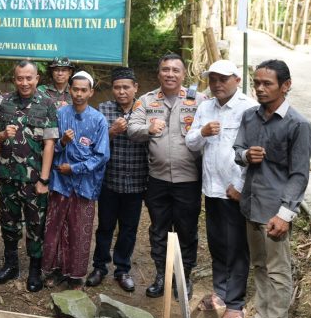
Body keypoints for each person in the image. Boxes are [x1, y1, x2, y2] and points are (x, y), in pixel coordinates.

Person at [234, 60, 311, 318]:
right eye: (256, 83)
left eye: (267, 83)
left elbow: (299, 175)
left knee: (278, 272)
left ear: (285, 85)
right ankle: (263, 316)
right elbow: (237, 151)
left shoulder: (298, 124)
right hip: (251, 205)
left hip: (275, 212)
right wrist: (246, 155)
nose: (259, 88)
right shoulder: (249, 116)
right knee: (259, 265)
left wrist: (284, 214)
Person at [128, 53, 206, 299]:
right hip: (157, 180)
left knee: (187, 230)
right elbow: (132, 128)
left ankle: (183, 278)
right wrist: (148, 128)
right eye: (165, 70)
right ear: (158, 73)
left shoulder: (199, 101)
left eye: (175, 70)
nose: (170, 74)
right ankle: (162, 275)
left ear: (183, 74)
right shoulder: (146, 100)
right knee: (159, 230)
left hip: (188, 181)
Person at [185, 60, 257, 318]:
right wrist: (202, 133)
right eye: (213, 79)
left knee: (237, 246)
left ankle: (235, 304)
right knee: (217, 243)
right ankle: (221, 292)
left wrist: (240, 186)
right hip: (212, 187)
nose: (217, 84)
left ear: (237, 80)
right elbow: (191, 143)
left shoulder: (249, 108)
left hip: (234, 190)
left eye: (223, 79)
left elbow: (254, 152)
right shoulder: (205, 107)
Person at [0, 60, 57, 292]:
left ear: (37, 79)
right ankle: (11, 265)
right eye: (20, 78)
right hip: (7, 176)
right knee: (8, 223)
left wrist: (44, 180)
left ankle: (35, 270)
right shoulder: (2, 102)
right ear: (14, 79)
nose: (24, 82)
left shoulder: (48, 104)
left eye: (29, 78)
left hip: (35, 180)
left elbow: (50, 144)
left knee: (36, 226)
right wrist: (2, 135)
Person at [42, 71, 109, 287]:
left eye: (83, 90)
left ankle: (75, 274)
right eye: (75, 89)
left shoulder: (98, 120)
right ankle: (55, 269)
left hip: (84, 184)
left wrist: (75, 168)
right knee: (56, 227)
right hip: (60, 182)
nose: (79, 94)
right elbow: (49, 147)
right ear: (69, 90)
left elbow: (101, 155)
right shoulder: (60, 114)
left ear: (91, 92)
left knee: (79, 229)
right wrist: (62, 142)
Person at [87, 67, 148, 293]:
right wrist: (111, 131)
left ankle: (122, 269)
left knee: (129, 229)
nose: (121, 92)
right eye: (117, 87)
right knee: (105, 226)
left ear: (135, 88)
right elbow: (92, 143)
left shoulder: (145, 110)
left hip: (136, 180)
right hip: (109, 180)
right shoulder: (103, 109)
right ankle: (99, 267)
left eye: (126, 87)